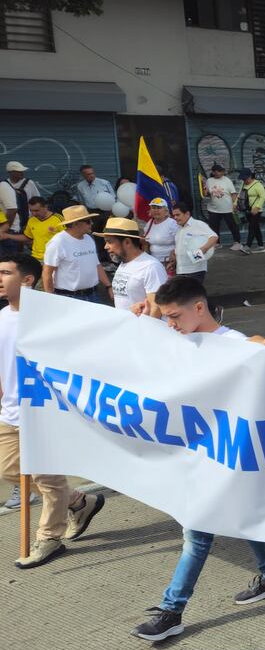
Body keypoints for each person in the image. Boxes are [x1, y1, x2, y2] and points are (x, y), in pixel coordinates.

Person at [130, 280, 265, 643]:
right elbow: (152, 328)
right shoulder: (177, 336)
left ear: (200, 307)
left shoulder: (231, 342)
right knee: (243, 516)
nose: (170, 323)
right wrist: (145, 315)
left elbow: (255, 344)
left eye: (175, 316)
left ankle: (172, 610)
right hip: (196, 454)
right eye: (167, 317)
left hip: (226, 456)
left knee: (196, 531)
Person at [0, 253, 106, 567]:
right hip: (9, 411)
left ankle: (48, 538)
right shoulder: (2, 316)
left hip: (43, 411)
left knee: (48, 479)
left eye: (5, 272)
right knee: (10, 470)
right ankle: (79, 502)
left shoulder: (50, 316)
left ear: (28, 279)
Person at [96, 218, 167, 315]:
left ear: (127, 242)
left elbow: (156, 308)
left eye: (110, 242)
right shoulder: (124, 263)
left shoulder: (151, 266)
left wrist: (142, 329)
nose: (106, 246)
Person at [42, 205, 109, 301]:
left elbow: (97, 265)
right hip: (68, 297)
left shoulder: (89, 238)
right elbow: (47, 272)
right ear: (76, 224)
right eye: (88, 221)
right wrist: (50, 298)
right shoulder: (58, 242)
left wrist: (108, 286)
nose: (92, 223)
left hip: (93, 294)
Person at [171, 202, 218, 283]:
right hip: (181, 270)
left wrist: (203, 250)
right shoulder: (178, 228)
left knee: (193, 294)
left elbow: (214, 237)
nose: (175, 217)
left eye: (178, 215)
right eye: (174, 215)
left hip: (195, 271)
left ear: (187, 213)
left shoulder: (198, 224)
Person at [203, 164, 245, 252]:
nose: (221, 172)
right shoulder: (209, 181)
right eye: (219, 171)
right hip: (213, 208)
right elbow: (207, 194)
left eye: (222, 171)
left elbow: (233, 194)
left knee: (232, 225)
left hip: (227, 208)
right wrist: (205, 192)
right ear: (214, 172)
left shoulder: (227, 180)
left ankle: (237, 242)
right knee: (214, 227)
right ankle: (216, 243)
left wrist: (234, 204)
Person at [21, 197, 64, 262]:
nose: (33, 213)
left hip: (54, 258)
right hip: (36, 258)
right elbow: (28, 237)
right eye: (31, 210)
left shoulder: (58, 219)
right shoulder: (31, 220)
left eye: (36, 210)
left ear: (45, 207)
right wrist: (7, 236)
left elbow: (69, 237)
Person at [143, 198, 179, 269]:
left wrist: (175, 254)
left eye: (159, 208)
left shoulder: (172, 223)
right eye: (153, 208)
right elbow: (146, 241)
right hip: (153, 262)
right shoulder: (149, 223)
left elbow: (181, 241)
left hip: (170, 263)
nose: (156, 210)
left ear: (166, 211)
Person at [239, 169, 265, 253]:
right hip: (247, 210)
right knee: (256, 228)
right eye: (243, 179)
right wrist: (235, 204)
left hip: (256, 211)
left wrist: (257, 207)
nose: (244, 180)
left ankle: (247, 246)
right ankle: (261, 246)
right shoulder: (243, 184)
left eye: (245, 178)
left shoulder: (258, 185)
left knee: (251, 227)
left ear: (250, 176)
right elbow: (240, 194)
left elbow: (263, 196)